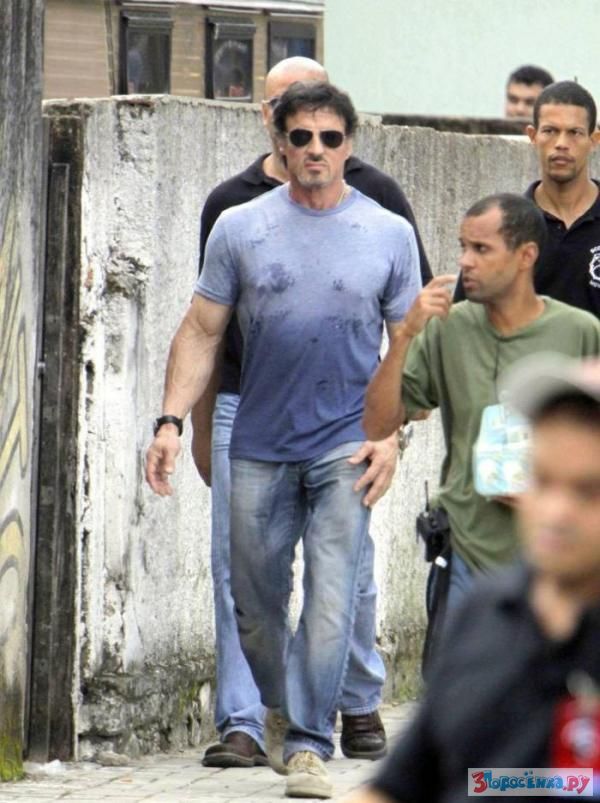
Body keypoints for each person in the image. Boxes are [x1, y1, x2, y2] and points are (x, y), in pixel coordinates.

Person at [146, 81, 422, 799]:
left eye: (331, 138)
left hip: (346, 443)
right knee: (255, 601)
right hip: (260, 440)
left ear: (350, 144)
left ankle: (306, 743)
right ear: (280, 141)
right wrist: (170, 421)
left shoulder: (388, 232)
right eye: (302, 137)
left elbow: (408, 347)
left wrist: (392, 438)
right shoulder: (240, 227)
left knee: (333, 595)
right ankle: (278, 705)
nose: (316, 150)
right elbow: (201, 330)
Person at [347, 353, 600, 803]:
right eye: (542, 481)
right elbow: (398, 787)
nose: (556, 512)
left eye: (587, 490)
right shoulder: (484, 615)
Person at [363, 193, 600, 633]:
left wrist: (545, 485)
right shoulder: (446, 329)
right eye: (463, 247)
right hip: (464, 556)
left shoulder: (581, 332)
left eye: (481, 249)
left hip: (557, 559)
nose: (464, 262)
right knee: (463, 677)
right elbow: (378, 422)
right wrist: (404, 337)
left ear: (526, 256)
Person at [457, 80, 600, 315]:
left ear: (594, 140)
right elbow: (465, 321)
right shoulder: (504, 227)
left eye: (574, 132)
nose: (561, 144)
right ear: (532, 136)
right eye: (550, 131)